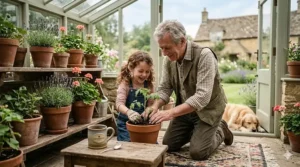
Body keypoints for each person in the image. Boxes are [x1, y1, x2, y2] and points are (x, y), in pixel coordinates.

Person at [143, 20, 234, 160]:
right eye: (161, 48)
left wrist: (170, 113)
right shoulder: (169, 59)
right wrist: (155, 106)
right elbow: (165, 88)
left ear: (182, 41)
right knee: (169, 144)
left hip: (208, 111)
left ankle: (221, 129)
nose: (164, 53)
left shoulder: (205, 56)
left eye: (167, 48)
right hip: (186, 112)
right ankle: (198, 131)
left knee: (198, 152)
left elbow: (202, 97)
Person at [115, 51, 155, 141]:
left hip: (142, 122)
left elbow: (151, 104)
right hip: (125, 124)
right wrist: (129, 112)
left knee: (149, 144)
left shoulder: (149, 85)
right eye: (140, 71)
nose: (144, 74)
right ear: (130, 68)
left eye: (147, 71)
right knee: (128, 144)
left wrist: (148, 110)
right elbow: (119, 104)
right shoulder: (125, 84)